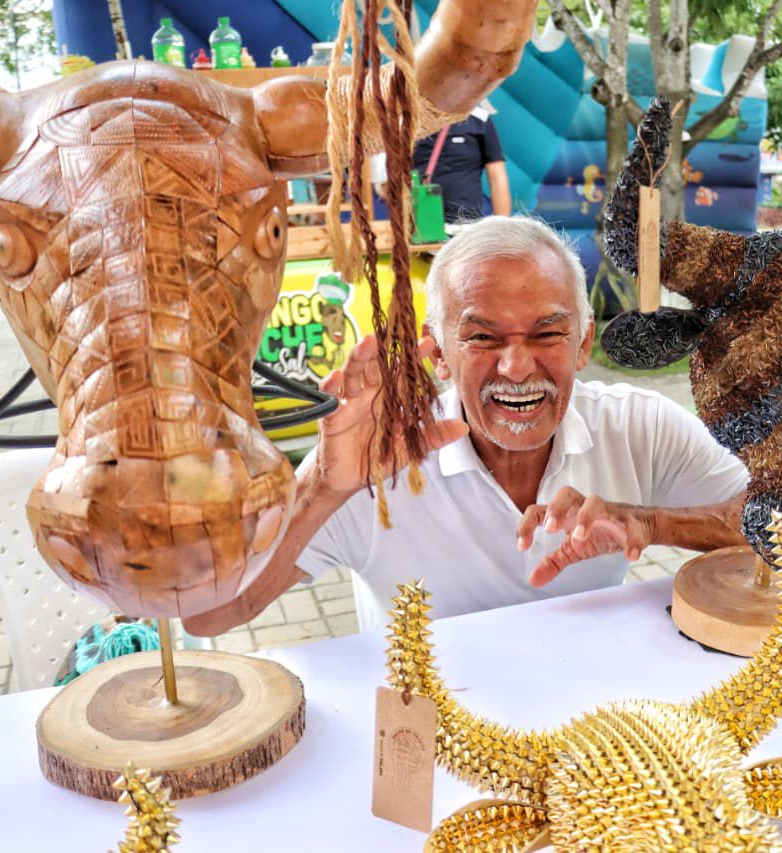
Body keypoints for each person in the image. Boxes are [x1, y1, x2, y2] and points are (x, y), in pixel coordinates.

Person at [185, 216, 749, 635]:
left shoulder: (639, 426)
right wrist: (323, 488)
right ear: (439, 355)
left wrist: (651, 523)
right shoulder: (372, 458)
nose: (516, 367)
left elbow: (781, 528)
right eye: (482, 337)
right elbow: (208, 616)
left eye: (547, 334)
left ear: (583, 345)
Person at [412, 109, 512, 223]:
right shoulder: (409, 116)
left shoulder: (479, 118)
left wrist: (502, 225)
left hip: (465, 224)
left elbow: (497, 178)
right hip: (417, 222)